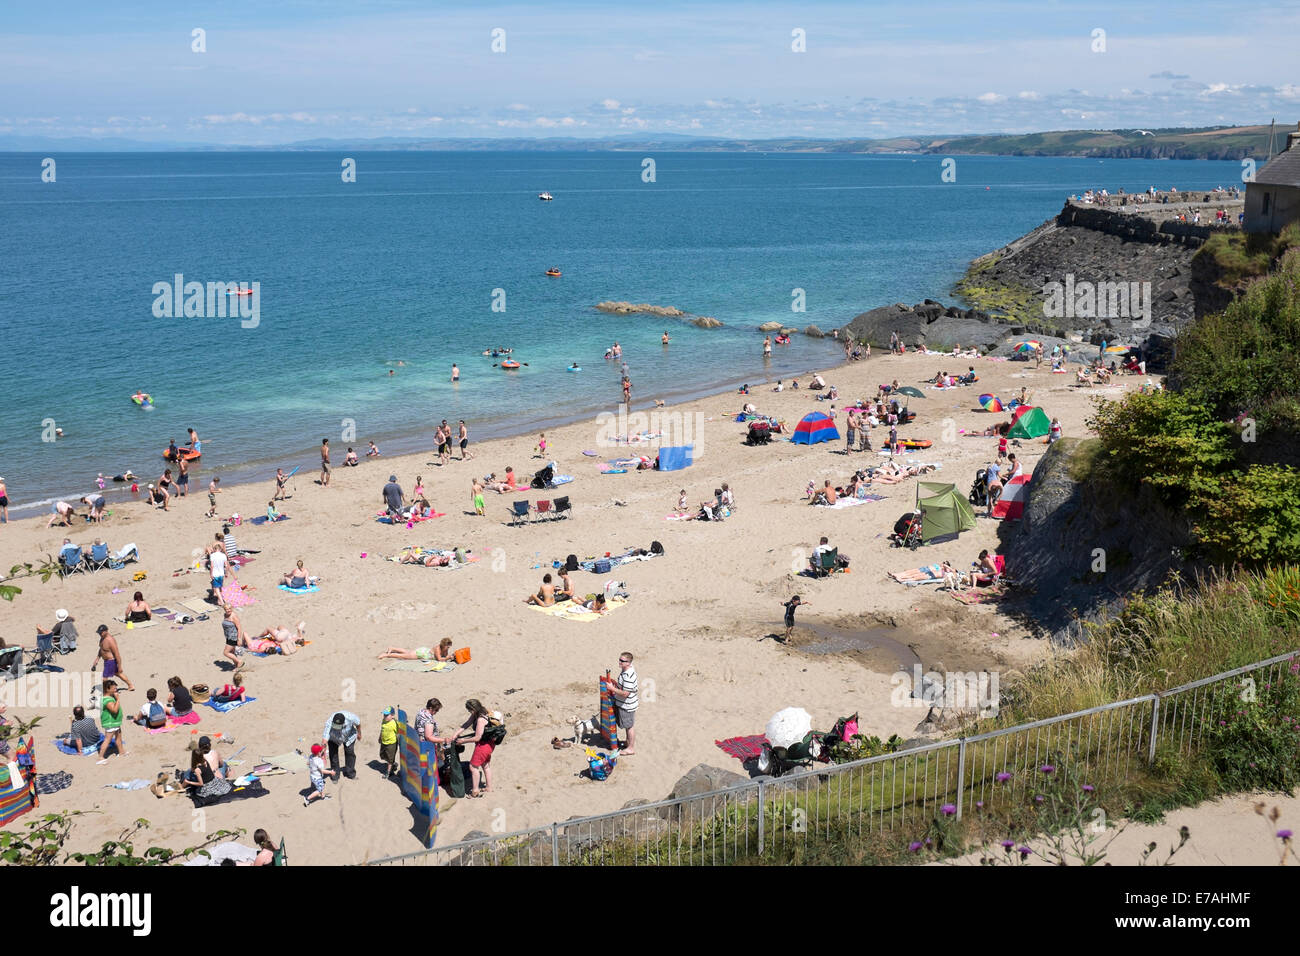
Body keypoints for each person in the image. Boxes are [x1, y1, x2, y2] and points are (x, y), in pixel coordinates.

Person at [458, 700, 496, 796]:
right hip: (490, 744)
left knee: (473, 767)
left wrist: (463, 741)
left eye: (469, 710)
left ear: (473, 709)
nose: (469, 712)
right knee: (485, 765)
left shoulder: (480, 719)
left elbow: (477, 737)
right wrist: (456, 735)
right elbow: (466, 724)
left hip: (483, 746)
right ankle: (488, 787)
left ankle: (475, 791)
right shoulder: (483, 712)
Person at [609, 654, 638, 755]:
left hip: (627, 705)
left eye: (622, 661)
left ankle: (630, 748)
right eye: (619, 659)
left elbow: (625, 693)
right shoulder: (626, 670)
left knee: (629, 726)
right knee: (627, 725)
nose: (619, 662)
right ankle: (628, 743)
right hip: (625, 704)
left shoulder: (628, 675)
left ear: (629, 663)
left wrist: (612, 689)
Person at [94, 624, 135, 691]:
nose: (99, 634)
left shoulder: (110, 641)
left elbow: (117, 654)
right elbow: (101, 649)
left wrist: (120, 666)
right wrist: (97, 658)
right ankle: (130, 685)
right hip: (107, 662)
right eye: (99, 633)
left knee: (104, 678)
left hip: (110, 662)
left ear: (106, 631)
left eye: (101, 632)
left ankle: (105, 692)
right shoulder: (102, 638)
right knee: (118, 674)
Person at [323, 710, 361, 780]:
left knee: (350, 753)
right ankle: (335, 775)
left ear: (343, 723)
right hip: (333, 737)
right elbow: (325, 739)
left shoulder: (351, 717)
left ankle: (350, 774)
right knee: (333, 756)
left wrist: (359, 733)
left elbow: (358, 723)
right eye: (335, 726)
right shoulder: (329, 722)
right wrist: (323, 752)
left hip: (349, 737)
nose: (336, 728)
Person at [97, 680, 125, 763]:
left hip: (115, 722)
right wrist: (118, 699)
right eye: (114, 689)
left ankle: (121, 752)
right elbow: (114, 710)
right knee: (108, 739)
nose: (116, 690)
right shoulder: (107, 700)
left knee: (119, 737)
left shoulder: (108, 698)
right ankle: (100, 757)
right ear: (107, 689)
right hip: (110, 723)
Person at [221, 604, 244, 669]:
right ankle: (236, 665)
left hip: (233, 637)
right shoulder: (225, 615)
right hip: (228, 636)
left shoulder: (234, 616)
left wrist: (239, 639)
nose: (228, 610)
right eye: (226, 609)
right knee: (232, 652)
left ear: (232, 608)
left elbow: (239, 628)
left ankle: (239, 662)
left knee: (226, 652)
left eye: (229, 608)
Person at [379, 706, 400, 778]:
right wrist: (380, 737)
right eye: (384, 715)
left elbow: (398, 733)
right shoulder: (383, 720)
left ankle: (388, 772)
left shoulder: (394, 723)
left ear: (392, 715)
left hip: (391, 744)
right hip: (384, 742)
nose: (385, 716)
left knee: (390, 759)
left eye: (387, 715)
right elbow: (382, 729)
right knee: (383, 756)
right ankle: (393, 764)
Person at [208, 538, 227, 603]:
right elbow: (226, 565)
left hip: (215, 574)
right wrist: (226, 573)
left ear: (214, 549)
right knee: (220, 587)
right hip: (221, 573)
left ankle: (221, 602)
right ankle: (220, 600)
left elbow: (212, 566)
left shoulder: (212, 555)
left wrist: (211, 574)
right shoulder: (223, 555)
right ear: (220, 549)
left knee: (216, 589)